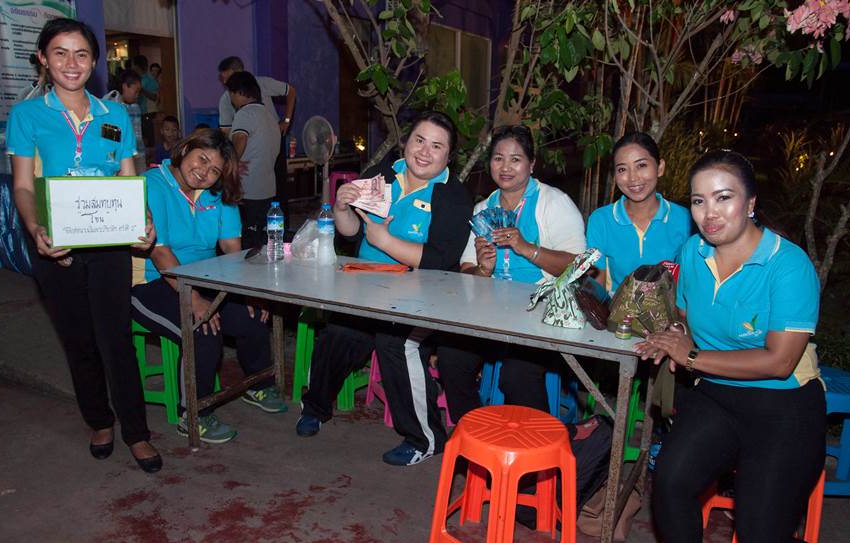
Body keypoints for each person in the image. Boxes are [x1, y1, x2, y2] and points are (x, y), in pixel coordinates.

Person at [636, 150, 850, 543]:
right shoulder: (693, 251)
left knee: (764, 541)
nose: (710, 213)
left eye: (724, 197)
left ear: (751, 202)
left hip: (783, 407)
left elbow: (779, 361)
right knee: (670, 483)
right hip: (716, 396)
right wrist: (673, 335)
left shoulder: (788, 265)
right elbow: (686, 315)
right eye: (698, 201)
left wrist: (691, 356)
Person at [6, 17, 161, 473]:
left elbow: (129, 179)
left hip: (109, 243)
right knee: (78, 340)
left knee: (117, 340)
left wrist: (144, 220)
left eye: (81, 54)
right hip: (56, 245)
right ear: (43, 58)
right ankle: (99, 420)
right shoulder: (27, 116)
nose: (71, 63)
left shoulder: (115, 116)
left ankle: (137, 431)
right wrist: (35, 229)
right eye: (60, 53)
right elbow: (23, 186)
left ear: (94, 62)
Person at [295, 111, 472, 467]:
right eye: (419, 140)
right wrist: (342, 207)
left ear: (449, 156)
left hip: (423, 295)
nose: (424, 151)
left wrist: (386, 241)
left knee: (396, 343)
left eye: (437, 146)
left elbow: (440, 260)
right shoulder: (382, 176)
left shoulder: (452, 197)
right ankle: (314, 406)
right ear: (406, 142)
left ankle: (425, 438)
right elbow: (351, 231)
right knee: (339, 331)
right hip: (366, 285)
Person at [131, 128, 287, 444]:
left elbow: (231, 249)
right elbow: (161, 254)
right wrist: (193, 299)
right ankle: (193, 415)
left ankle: (257, 386)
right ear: (185, 149)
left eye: (215, 170)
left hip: (205, 279)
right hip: (151, 282)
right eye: (202, 159)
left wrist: (248, 292)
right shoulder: (152, 185)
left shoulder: (218, 194)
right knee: (201, 327)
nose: (205, 173)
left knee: (253, 315)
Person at [436, 125, 586, 421]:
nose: (505, 167)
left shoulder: (553, 203)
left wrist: (527, 248)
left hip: (540, 311)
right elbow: (466, 272)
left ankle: (540, 443)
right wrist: (482, 269)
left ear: (532, 164)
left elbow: (577, 267)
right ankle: (476, 430)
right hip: (490, 312)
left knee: (517, 374)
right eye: (498, 158)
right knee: (451, 356)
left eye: (516, 159)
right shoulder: (483, 209)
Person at [586, 132, 692, 295]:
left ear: (660, 167)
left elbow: (688, 283)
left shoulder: (684, 219)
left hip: (668, 308)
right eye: (622, 169)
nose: (633, 178)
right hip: (615, 308)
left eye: (641, 165)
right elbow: (596, 284)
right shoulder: (601, 220)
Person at [224, 71, 282, 249]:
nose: (231, 100)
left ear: (240, 93)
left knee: (246, 244)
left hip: (248, 190)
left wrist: (230, 165)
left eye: (231, 94)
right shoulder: (270, 116)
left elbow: (240, 139)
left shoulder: (245, 114)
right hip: (268, 189)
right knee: (262, 241)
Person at [216, 56, 295, 134]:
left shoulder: (261, 83)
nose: (225, 82)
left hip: (273, 134)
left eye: (228, 78)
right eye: (223, 78)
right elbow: (226, 130)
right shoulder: (225, 99)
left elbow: (290, 91)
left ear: (240, 73)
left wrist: (287, 121)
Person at [103, 69, 146, 172]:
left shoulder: (135, 108)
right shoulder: (111, 106)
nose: (137, 95)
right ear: (125, 86)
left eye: (139, 92)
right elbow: (109, 140)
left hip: (137, 154)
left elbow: (138, 135)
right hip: (119, 156)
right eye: (136, 91)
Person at [133, 55, 159, 150]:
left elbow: (155, 97)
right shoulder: (135, 79)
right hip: (137, 113)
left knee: (149, 141)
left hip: (148, 113)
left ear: (136, 66)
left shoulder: (150, 80)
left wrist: (142, 90)